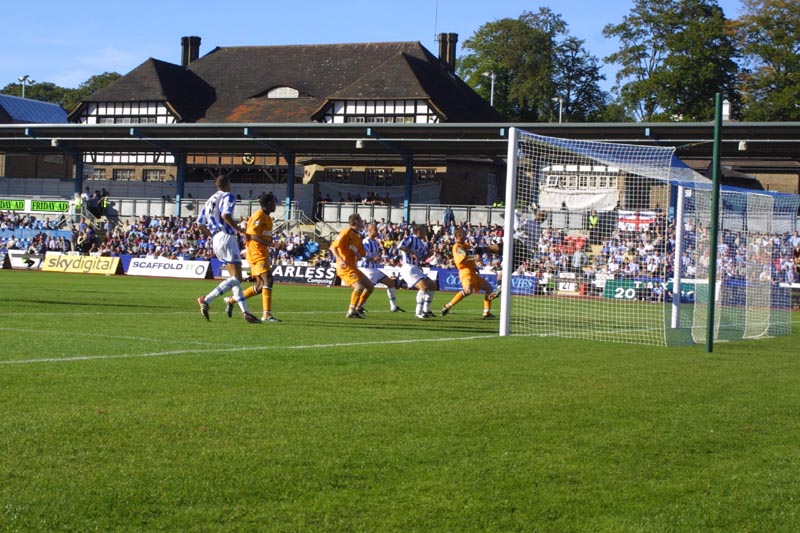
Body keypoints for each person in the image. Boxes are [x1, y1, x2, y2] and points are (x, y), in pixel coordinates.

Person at [195, 175, 260, 323]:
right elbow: (225, 215)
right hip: (226, 237)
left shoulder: (209, 200)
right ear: (227, 184)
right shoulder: (228, 196)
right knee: (237, 278)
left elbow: (200, 224)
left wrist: (213, 236)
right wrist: (240, 230)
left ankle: (245, 312)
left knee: (234, 279)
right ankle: (206, 299)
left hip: (216, 239)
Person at [222, 192, 280, 322]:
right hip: (256, 253)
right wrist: (272, 244)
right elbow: (251, 235)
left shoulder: (268, 218)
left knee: (260, 287)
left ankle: (231, 300)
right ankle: (266, 315)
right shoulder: (258, 216)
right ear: (268, 204)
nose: (275, 205)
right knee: (268, 279)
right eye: (273, 202)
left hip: (261, 253)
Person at [441, 227, 498, 319]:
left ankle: (486, 312)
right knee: (468, 291)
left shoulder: (466, 245)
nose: (466, 235)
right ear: (459, 235)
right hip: (465, 272)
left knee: (489, 289)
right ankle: (448, 306)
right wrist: (474, 258)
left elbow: (470, 255)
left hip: (472, 272)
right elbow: (462, 260)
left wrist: (475, 266)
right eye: (464, 233)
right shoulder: (457, 247)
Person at [330, 213, 373, 318]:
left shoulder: (358, 237)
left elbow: (360, 256)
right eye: (361, 220)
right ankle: (351, 311)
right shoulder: (346, 232)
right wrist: (340, 260)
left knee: (370, 287)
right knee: (359, 287)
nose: (363, 222)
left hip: (353, 266)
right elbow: (332, 247)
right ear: (356, 221)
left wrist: (356, 253)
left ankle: (358, 308)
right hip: (344, 267)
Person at [358, 222, 405, 313]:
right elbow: (364, 257)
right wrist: (374, 258)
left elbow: (375, 256)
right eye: (375, 230)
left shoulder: (375, 242)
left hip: (374, 268)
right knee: (369, 288)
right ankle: (359, 306)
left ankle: (393, 307)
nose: (377, 231)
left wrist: (379, 257)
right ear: (369, 231)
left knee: (391, 283)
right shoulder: (365, 242)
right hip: (367, 269)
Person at [398, 223, 437, 319]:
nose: (426, 233)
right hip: (408, 267)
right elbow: (401, 246)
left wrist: (429, 254)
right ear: (419, 231)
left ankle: (426, 310)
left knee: (432, 286)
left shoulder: (421, 243)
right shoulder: (411, 238)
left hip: (416, 268)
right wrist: (413, 253)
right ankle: (418, 312)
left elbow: (422, 258)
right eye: (424, 231)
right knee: (423, 287)